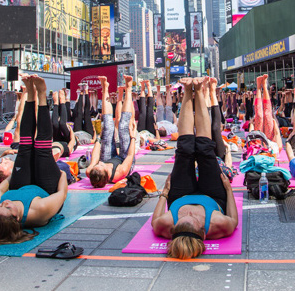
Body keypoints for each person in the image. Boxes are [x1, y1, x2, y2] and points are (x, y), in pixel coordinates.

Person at [151, 78, 239, 259]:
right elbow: (233, 220)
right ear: (203, 232)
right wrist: (228, 190)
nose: (190, 212)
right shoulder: (218, 224)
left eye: (185, 216)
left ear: (174, 228)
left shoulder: (165, 225)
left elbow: (155, 221)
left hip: (180, 196)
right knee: (205, 149)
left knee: (185, 149)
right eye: (194, 217)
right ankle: (198, 91)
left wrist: (165, 193)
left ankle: (187, 91)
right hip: (213, 198)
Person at [0, 74, 68, 245]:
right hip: (46, 190)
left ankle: (31, 95)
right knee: (42, 150)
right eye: (7, 207)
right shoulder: (39, 211)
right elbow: (62, 194)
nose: (4, 203)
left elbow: (4, 186)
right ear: (17, 218)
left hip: (21, 185)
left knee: (25, 147)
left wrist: (19, 170)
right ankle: (42, 94)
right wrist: (61, 175)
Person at [85, 75, 138, 188]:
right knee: (123, 127)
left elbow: (95, 157)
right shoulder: (119, 173)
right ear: (106, 174)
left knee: (107, 127)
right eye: (100, 165)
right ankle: (128, 89)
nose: (99, 163)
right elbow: (130, 156)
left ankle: (105, 89)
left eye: (97, 165)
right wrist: (133, 137)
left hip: (109, 158)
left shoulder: (91, 172)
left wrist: (99, 138)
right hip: (124, 159)